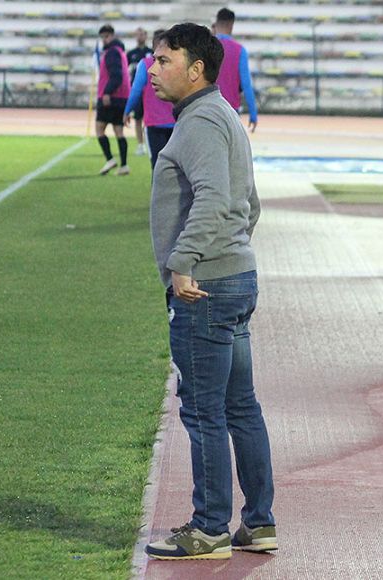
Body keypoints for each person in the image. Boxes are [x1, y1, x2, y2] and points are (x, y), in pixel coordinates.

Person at [145, 22, 275, 561]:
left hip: (205, 287)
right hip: (234, 277)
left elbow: (216, 199)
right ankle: (259, 523)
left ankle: (209, 528)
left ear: (195, 68)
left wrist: (184, 263)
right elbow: (250, 203)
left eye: (163, 59)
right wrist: (231, 253)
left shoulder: (199, 122)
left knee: (203, 413)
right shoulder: (223, 115)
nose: (152, 69)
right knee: (240, 405)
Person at [124, 29, 175, 169]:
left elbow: (136, 89)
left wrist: (127, 110)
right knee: (176, 166)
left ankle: (158, 191)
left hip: (154, 122)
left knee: (157, 165)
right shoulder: (177, 64)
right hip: (176, 122)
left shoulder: (146, 64)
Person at [213, 8, 258, 133]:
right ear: (231, 25)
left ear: (216, 23)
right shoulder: (239, 50)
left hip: (207, 107)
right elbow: (246, 85)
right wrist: (253, 114)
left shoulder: (206, 46)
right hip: (230, 109)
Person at [96, 24, 131, 176]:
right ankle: (123, 165)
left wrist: (107, 92)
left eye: (105, 37)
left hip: (111, 97)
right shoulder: (121, 51)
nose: (103, 40)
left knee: (99, 129)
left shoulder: (111, 52)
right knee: (119, 131)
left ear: (110, 36)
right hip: (122, 96)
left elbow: (116, 75)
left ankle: (110, 159)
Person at [127, 27, 152, 157]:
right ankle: (140, 144)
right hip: (137, 90)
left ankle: (148, 141)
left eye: (142, 34)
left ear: (146, 36)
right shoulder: (131, 54)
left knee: (148, 118)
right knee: (137, 118)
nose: (140, 36)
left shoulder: (151, 52)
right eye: (138, 34)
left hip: (149, 92)